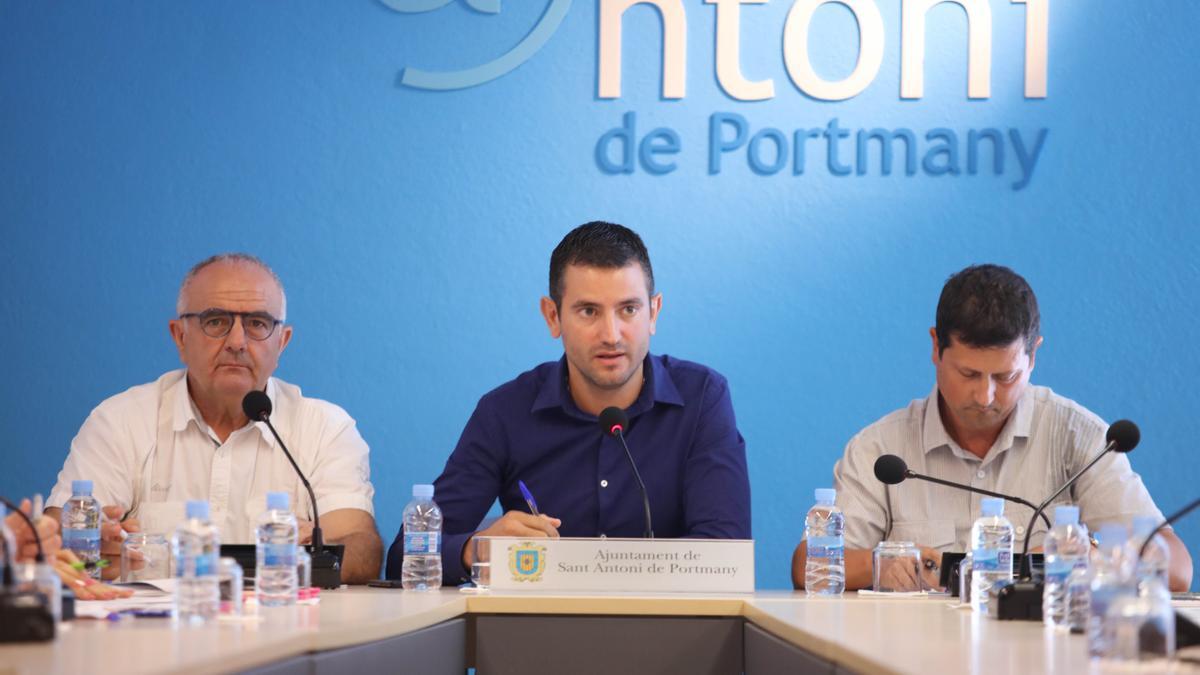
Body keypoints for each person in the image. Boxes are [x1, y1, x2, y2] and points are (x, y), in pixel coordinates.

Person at [386, 222, 751, 584]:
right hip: (535, 634)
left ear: (653, 312)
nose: (611, 335)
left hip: (670, 631)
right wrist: (474, 550)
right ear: (552, 316)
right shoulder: (505, 412)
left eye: (628, 310)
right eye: (589, 311)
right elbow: (406, 555)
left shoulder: (702, 397)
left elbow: (725, 550)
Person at [792, 264, 1193, 592]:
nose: (984, 396)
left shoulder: (1080, 438)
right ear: (935, 347)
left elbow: (1177, 568)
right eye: (968, 373)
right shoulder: (881, 449)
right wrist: (887, 563)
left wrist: (1097, 557)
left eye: (1005, 377)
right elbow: (808, 564)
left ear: (1033, 355)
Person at [45, 254, 382, 583]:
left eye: (257, 324)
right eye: (216, 321)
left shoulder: (325, 428)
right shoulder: (120, 420)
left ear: (282, 343)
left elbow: (360, 551)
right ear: (180, 336)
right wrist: (90, 548)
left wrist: (317, 554)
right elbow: (54, 541)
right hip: (151, 635)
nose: (237, 342)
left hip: (285, 630)